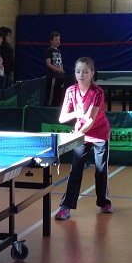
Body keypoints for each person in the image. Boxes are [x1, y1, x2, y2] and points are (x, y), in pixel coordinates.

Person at [54, 57, 112, 220]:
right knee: (76, 170)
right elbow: (62, 118)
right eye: (78, 71)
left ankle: (104, 202)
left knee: (101, 170)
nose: (81, 75)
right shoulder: (71, 91)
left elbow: (91, 119)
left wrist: (79, 132)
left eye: (85, 72)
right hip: (81, 134)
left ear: (92, 73)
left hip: (100, 133)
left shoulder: (97, 92)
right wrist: (76, 114)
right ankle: (66, 206)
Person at [45, 31, 65, 107]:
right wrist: (58, 70)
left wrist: (61, 69)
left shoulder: (58, 51)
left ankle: (56, 108)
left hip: (60, 76)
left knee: (58, 94)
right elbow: (48, 64)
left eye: (59, 39)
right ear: (51, 41)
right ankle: (49, 107)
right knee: (51, 94)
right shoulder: (49, 50)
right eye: (56, 40)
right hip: (53, 76)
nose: (58, 41)